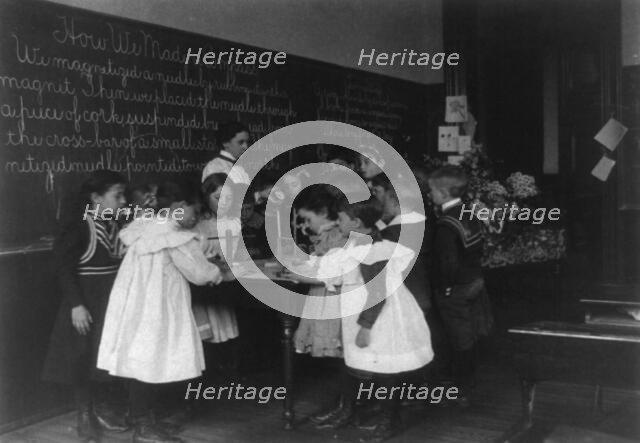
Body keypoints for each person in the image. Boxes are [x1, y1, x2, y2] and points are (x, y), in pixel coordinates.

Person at [96, 180, 235, 443]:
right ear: (180, 206)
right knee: (152, 358)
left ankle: (145, 420)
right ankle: (144, 428)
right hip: (156, 306)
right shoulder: (173, 233)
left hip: (135, 303)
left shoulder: (148, 225)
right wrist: (223, 273)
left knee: (141, 359)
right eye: (194, 212)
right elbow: (200, 274)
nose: (195, 219)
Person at [286, 197, 433, 440]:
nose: (338, 222)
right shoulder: (358, 244)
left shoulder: (372, 250)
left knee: (385, 368)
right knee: (361, 363)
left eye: (342, 219)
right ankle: (352, 410)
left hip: (378, 315)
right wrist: (300, 274)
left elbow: (377, 292)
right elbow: (335, 273)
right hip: (358, 309)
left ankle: (389, 421)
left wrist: (366, 327)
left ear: (356, 222)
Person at [42, 170, 130, 441]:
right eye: (117, 196)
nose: (124, 201)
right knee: (81, 357)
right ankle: (84, 413)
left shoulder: (113, 225)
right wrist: (76, 305)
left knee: (101, 357)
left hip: (109, 304)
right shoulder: (80, 225)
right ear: (95, 197)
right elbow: (63, 268)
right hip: (85, 303)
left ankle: (102, 409)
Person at [428, 166, 493, 407]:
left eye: (432, 190)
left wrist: (444, 288)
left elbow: (447, 262)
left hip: (455, 288)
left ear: (444, 192)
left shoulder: (445, 223)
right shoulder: (468, 211)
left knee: (458, 337)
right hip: (474, 280)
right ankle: (465, 383)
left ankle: (462, 388)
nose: (430, 194)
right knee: (469, 333)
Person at [293, 186, 346, 358]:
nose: (306, 225)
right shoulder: (326, 235)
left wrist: (302, 275)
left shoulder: (337, 235)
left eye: (308, 219)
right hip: (321, 291)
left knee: (332, 334)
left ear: (323, 212)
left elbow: (334, 273)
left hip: (334, 293)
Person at [192, 173, 243, 345]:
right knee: (211, 332)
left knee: (228, 332)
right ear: (206, 198)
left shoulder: (233, 221)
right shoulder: (197, 223)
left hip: (230, 282)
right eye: (217, 197)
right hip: (208, 286)